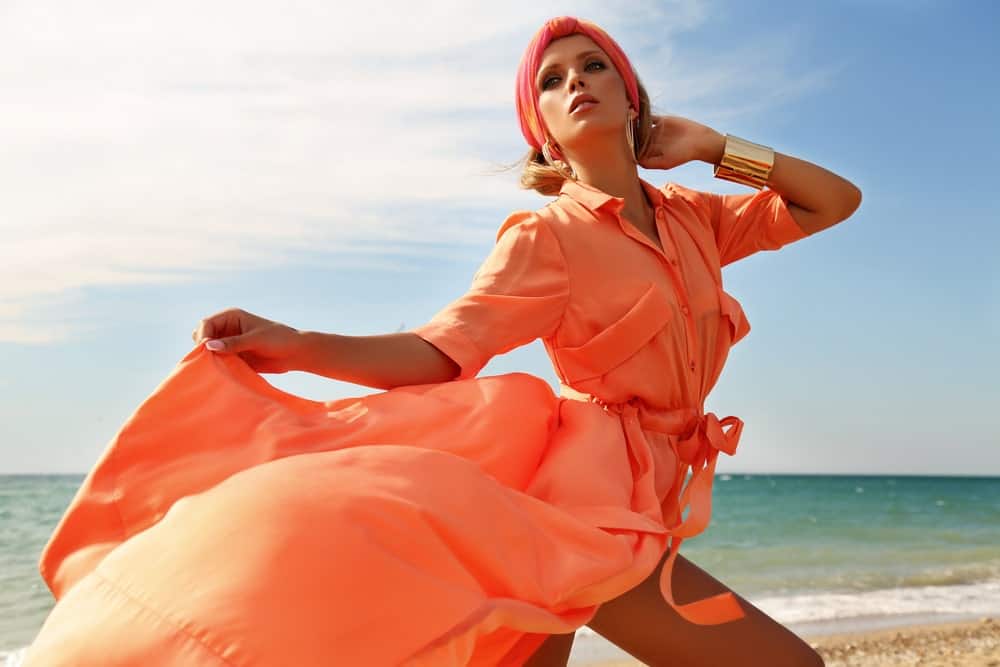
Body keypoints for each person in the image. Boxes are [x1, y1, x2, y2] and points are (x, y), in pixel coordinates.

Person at [24, 15, 859, 667]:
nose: (578, 83)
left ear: (631, 92)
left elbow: (834, 200)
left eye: (594, 65)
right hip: (585, 513)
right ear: (541, 132)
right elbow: (439, 351)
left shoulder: (695, 218)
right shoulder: (547, 238)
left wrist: (716, 148)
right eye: (553, 80)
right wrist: (296, 341)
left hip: (649, 504)